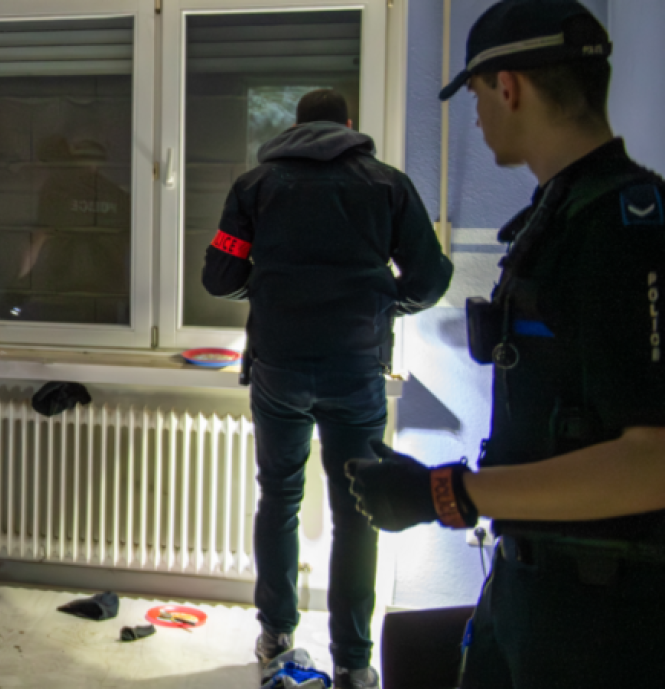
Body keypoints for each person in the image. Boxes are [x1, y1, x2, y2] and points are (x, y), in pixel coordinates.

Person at [346, 2, 665, 686]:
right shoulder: (561, 214)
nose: (478, 117)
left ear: (509, 86)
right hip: (528, 583)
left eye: (476, 96)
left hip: (601, 622)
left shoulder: (625, 227)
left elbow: (653, 460)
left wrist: (449, 493)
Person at [202, 89, 453, 689]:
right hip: (355, 370)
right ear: (349, 125)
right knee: (357, 511)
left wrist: (271, 288)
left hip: (279, 370)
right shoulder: (387, 185)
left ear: (295, 128)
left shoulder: (255, 187)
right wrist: (382, 302)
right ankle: (354, 663)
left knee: (279, 498)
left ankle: (275, 635)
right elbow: (429, 278)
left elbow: (220, 276)